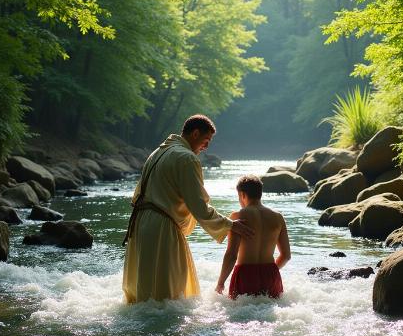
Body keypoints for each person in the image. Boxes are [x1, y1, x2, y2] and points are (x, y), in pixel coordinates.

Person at [122, 114, 254, 303]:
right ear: (195, 133)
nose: (206, 147)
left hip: (140, 223)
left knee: (143, 289)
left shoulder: (158, 152)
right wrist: (230, 225)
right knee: (169, 293)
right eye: (206, 140)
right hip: (162, 226)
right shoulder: (186, 158)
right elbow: (198, 206)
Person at [215, 175, 290, 299]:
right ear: (260, 193)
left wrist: (220, 283)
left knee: (241, 316)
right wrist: (271, 272)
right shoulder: (278, 217)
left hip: (245, 275)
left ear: (242, 195)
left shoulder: (237, 216)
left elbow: (231, 255)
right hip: (271, 274)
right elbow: (286, 256)